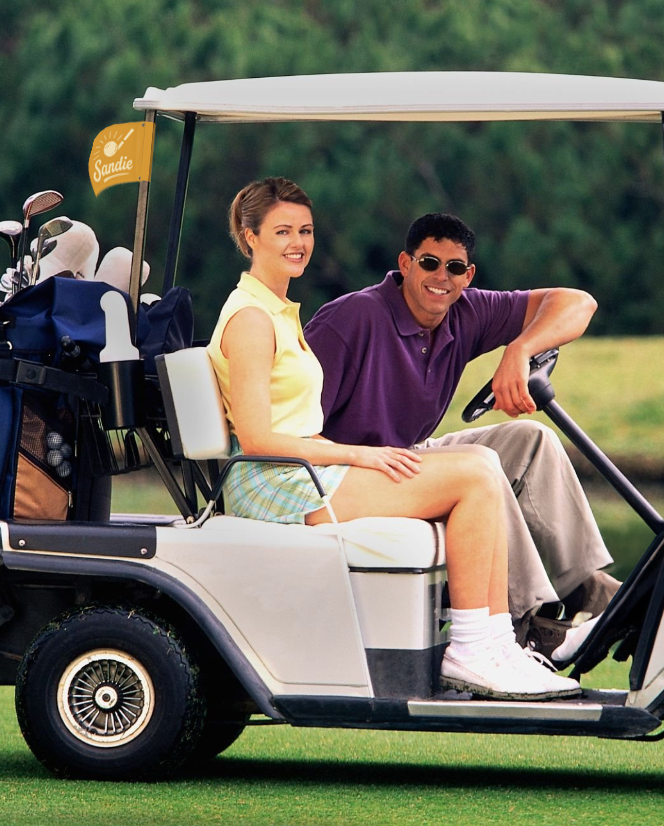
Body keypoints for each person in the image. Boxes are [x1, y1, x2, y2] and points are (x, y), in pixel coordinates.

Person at [207, 178, 579, 701]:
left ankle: (497, 646)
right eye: (283, 231)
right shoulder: (250, 318)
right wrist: (359, 454)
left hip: (303, 471)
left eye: (306, 230)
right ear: (250, 238)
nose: (299, 242)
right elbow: (258, 438)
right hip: (273, 482)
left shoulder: (277, 311)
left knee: (482, 464)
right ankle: (472, 648)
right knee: (473, 471)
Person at [303, 213, 620, 653]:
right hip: (350, 472)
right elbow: (297, 431)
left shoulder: (467, 311)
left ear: (467, 276)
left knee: (531, 439)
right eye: (429, 262)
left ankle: (593, 594)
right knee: (479, 466)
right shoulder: (350, 319)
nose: (441, 277)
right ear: (406, 263)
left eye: (454, 268)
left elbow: (578, 303)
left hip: (406, 456)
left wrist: (521, 348)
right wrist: (360, 457)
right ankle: (527, 622)